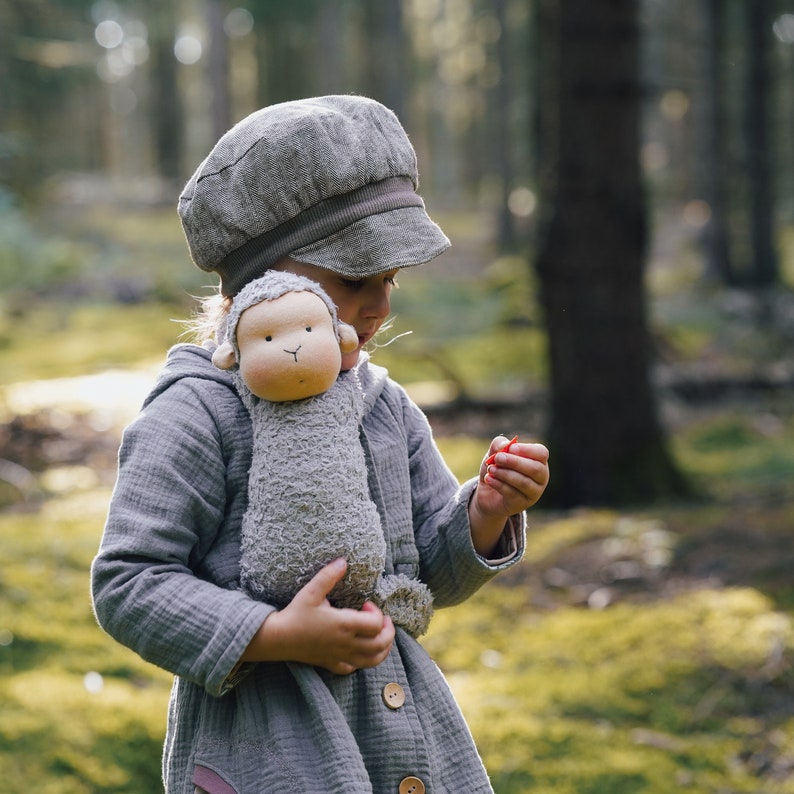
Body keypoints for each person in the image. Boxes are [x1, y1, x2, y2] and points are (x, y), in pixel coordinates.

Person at [91, 94, 550, 794]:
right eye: (355, 279)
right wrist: (274, 635)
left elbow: (423, 570)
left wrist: (484, 513)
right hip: (265, 747)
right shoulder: (198, 410)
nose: (381, 307)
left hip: (399, 730)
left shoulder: (382, 405)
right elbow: (129, 583)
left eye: (390, 280)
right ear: (265, 281)